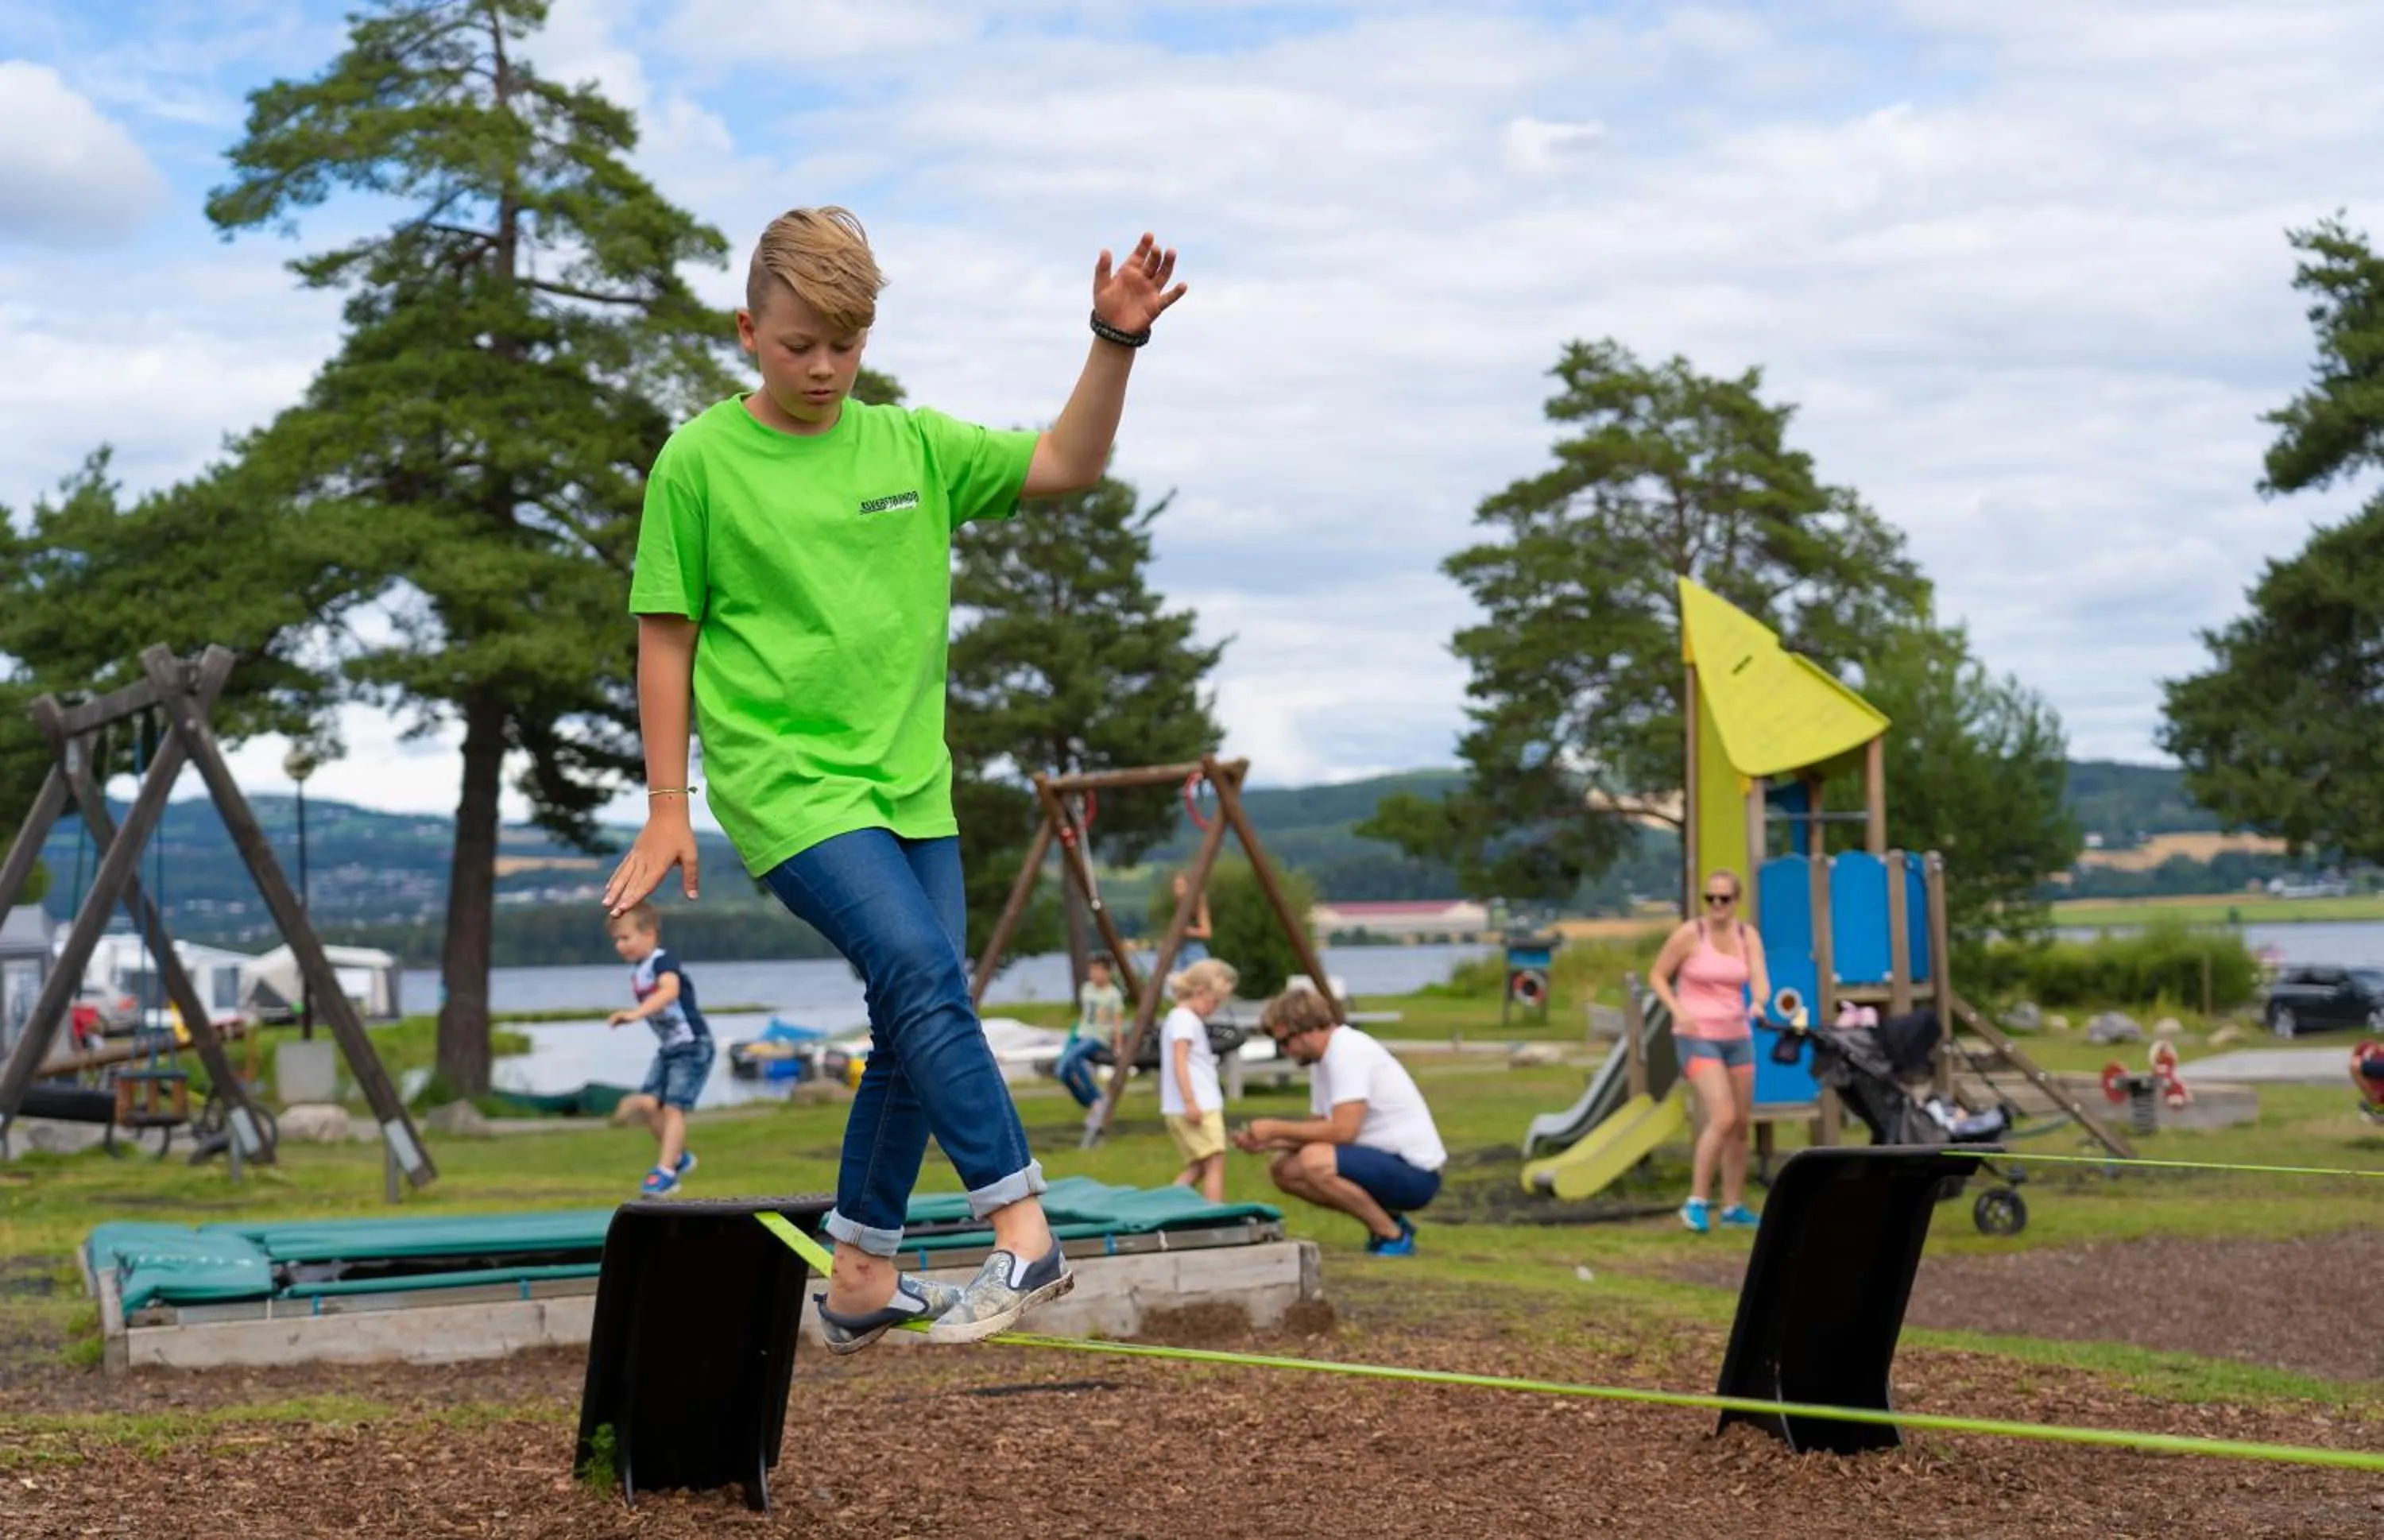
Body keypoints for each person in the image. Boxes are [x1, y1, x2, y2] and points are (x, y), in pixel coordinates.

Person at [602, 206, 1188, 1352]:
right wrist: (670, 804)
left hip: (911, 789)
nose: (822, 368)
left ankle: (863, 1272)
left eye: (844, 344)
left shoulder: (910, 449)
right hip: (787, 786)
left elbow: (1067, 462)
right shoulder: (702, 461)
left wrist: (1114, 341)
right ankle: (1021, 1223)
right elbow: (663, 632)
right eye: (796, 345)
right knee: (923, 971)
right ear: (747, 334)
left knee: (920, 1017)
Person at [1233, 986, 1446, 1256]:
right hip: (1383, 1162)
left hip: (1417, 1174)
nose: (1285, 1050)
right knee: (1284, 1169)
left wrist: (1276, 1127)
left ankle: (1392, 1235)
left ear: (1307, 1029)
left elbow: (1344, 1131)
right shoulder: (1323, 1060)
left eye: (1285, 1041)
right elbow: (1318, 1125)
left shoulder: (1347, 1052)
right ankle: (1385, 1220)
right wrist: (1269, 1142)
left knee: (1314, 1160)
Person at [1647, 868, 1772, 1233]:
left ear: (1737, 901)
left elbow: (1759, 975)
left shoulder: (1747, 935)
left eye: (1724, 899)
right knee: (1722, 1116)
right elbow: (1657, 974)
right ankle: (1696, 1202)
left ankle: (1733, 1206)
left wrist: (1760, 1002)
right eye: (1710, 898)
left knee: (1741, 1124)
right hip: (1697, 1034)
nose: (1717, 905)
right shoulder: (1690, 934)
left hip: (1737, 1035)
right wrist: (1678, 1010)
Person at [605, 903, 716, 1197]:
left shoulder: (662, 960)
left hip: (693, 1046)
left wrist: (635, 1013)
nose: (620, 946)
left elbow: (670, 991)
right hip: (668, 1049)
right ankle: (679, 1158)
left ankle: (666, 1172)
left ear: (650, 934)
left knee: (673, 1108)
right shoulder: (638, 971)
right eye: (616, 940)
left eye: (625, 938)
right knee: (645, 1104)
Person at [1160, 958, 1237, 1201]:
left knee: (1200, 1166)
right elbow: (1179, 1060)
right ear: (1200, 991)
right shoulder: (1184, 1019)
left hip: (1191, 1104)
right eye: (1213, 1001)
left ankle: (1168, 1204)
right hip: (1197, 1105)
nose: (1214, 1008)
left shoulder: (1181, 1018)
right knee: (1216, 1163)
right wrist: (1190, 1101)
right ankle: (1216, 1214)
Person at [1055, 953, 1124, 1117]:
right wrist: (1074, 1033)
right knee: (1062, 1071)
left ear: (1108, 972)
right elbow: (1085, 1015)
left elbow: (1117, 1021)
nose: (1094, 974)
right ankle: (1089, 1102)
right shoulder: (1086, 989)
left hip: (1098, 1037)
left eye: (1098, 970)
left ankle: (1097, 1099)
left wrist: (1118, 1045)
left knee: (1073, 1059)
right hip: (1082, 1033)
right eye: (1092, 970)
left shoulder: (1113, 994)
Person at [1171, 869, 1214, 964]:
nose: (1176, 889)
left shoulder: (1198, 904)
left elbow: (1207, 933)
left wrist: (1186, 931)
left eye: (1180, 885)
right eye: (1175, 886)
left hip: (1195, 951)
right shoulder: (1180, 907)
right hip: (1181, 952)